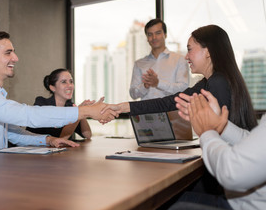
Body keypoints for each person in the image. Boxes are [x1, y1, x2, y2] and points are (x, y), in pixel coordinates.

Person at [0, 31, 117, 154]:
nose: (16, 58)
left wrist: (48, 139)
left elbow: (14, 133)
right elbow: (28, 115)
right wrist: (88, 110)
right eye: (8, 52)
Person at [103, 24, 257, 132]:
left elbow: (221, 132)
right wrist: (124, 107)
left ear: (208, 52)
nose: (186, 56)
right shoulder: (208, 82)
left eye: (190, 50)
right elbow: (170, 102)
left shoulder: (218, 83)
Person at [172, 89, 266, 210]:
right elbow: (255, 146)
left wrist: (207, 132)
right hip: (241, 204)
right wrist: (220, 125)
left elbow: (232, 172)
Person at [129, 18, 189, 100]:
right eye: (150, 34)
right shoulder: (139, 64)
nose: (154, 37)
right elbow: (133, 94)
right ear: (147, 38)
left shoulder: (180, 60)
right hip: (146, 111)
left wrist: (158, 83)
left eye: (158, 33)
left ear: (165, 35)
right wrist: (145, 86)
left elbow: (183, 89)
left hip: (170, 112)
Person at [26, 69, 92, 140]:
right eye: (64, 82)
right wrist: (79, 112)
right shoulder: (42, 103)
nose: (69, 85)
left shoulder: (70, 106)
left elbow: (87, 135)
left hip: (58, 150)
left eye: (71, 81)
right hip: (33, 148)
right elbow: (61, 138)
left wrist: (82, 113)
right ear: (53, 88)